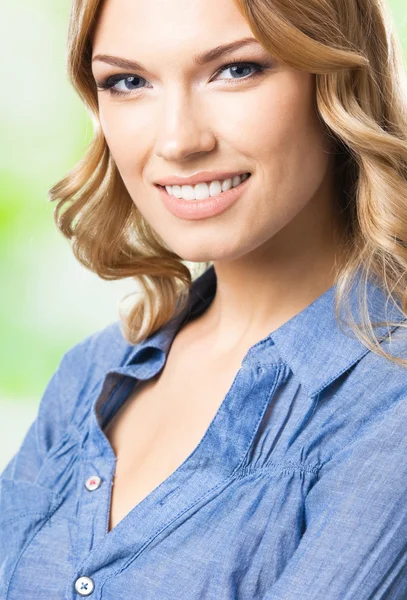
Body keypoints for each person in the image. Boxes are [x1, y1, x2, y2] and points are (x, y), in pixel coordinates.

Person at [2, 0, 407, 597]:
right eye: (129, 81)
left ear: (337, 78)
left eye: (236, 70)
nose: (178, 141)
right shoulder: (90, 375)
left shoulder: (387, 404)